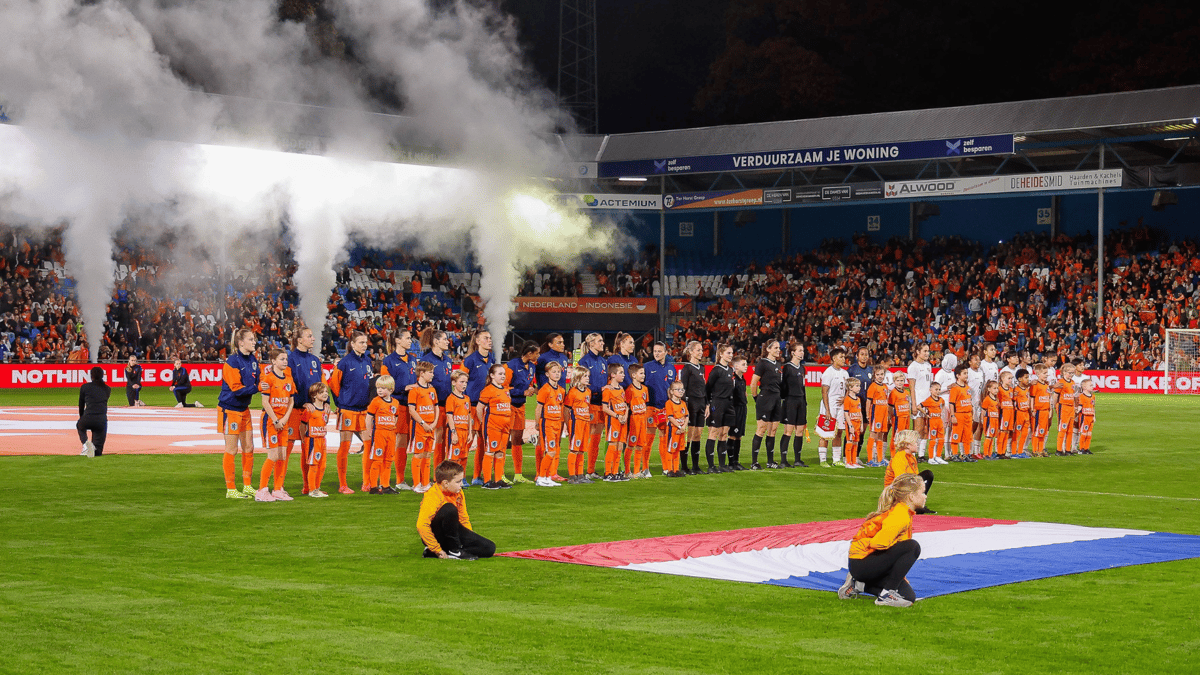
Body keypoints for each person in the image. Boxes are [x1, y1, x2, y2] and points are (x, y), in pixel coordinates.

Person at [840, 473, 926, 607]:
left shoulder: (904, 512)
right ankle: (886, 595)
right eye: (922, 492)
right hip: (862, 562)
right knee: (912, 547)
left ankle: (859, 585)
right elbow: (878, 543)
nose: (925, 496)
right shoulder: (900, 514)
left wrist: (898, 573)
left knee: (908, 597)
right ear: (911, 496)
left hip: (865, 562)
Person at [417, 460, 496, 560]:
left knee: (489, 548)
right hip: (438, 533)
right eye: (458, 481)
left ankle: (435, 552)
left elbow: (463, 517)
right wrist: (436, 548)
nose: (461, 484)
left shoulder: (458, 492)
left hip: (453, 530)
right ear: (445, 483)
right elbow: (421, 525)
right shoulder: (433, 496)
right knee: (449, 509)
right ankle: (454, 551)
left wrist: (469, 537)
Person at [329, 331, 373, 494]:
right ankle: (342, 484)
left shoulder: (367, 361)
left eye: (365, 342)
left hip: (364, 410)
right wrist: (341, 403)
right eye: (361, 342)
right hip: (348, 410)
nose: (364, 345)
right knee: (345, 447)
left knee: (368, 446)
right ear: (352, 344)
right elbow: (333, 385)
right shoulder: (344, 363)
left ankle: (367, 482)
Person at [218, 329, 260, 499]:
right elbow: (237, 389)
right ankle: (231, 489)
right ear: (240, 342)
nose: (254, 342)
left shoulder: (253, 359)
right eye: (251, 339)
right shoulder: (232, 362)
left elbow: (259, 379)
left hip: (244, 409)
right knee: (232, 449)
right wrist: (258, 387)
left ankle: (247, 485)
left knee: (249, 447)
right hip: (230, 409)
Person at [256, 349, 297, 502]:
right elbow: (265, 402)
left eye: (286, 359)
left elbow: (291, 400)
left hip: (283, 421)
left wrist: (285, 419)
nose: (285, 361)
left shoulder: (288, 378)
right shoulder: (268, 378)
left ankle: (278, 489)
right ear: (273, 361)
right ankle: (262, 490)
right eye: (281, 359)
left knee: (282, 456)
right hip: (270, 421)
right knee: (272, 456)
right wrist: (275, 420)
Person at [288, 327, 324, 494]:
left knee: (307, 450)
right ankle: (278, 487)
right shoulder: (290, 359)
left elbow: (320, 384)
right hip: (294, 411)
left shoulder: (315, 360)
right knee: (285, 450)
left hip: (312, 412)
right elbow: (290, 385)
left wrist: (326, 402)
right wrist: (302, 402)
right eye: (309, 336)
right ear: (299, 340)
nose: (313, 339)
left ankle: (308, 487)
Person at [381, 329, 418, 490]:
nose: (410, 341)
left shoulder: (413, 359)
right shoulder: (388, 361)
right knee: (399, 443)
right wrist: (405, 387)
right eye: (407, 338)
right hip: (399, 406)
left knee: (407, 442)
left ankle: (399, 478)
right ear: (397, 340)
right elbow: (383, 385)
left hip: (413, 407)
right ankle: (398, 479)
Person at [461, 329, 496, 486]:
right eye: (486, 338)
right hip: (472, 405)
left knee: (482, 442)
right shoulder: (470, 360)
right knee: (466, 442)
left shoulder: (492, 359)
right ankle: (460, 477)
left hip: (486, 406)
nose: (489, 340)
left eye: (490, 338)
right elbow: (459, 380)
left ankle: (476, 476)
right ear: (477, 341)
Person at [578, 333, 610, 480]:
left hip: (601, 404)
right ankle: (580, 471)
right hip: (590, 404)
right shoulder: (584, 361)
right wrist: (599, 389)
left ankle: (590, 470)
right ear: (591, 344)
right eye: (599, 341)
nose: (602, 343)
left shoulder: (603, 361)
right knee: (587, 438)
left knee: (596, 439)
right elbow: (582, 383)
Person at [505, 341, 539, 484]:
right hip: (508, 406)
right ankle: (499, 474)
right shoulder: (511, 365)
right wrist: (522, 391)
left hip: (521, 406)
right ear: (529, 353)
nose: (538, 355)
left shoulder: (531, 367)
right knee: (502, 441)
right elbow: (503, 388)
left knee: (517, 441)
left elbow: (531, 384)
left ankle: (518, 474)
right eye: (536, 353)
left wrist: (533, 389)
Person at [420, 329, 454, 466]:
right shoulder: (426, 360)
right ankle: (435, 472)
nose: (447, 342)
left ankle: (442, 469)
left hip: (447, 404)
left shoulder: (448, 360)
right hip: (433, 405)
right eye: (445, 339)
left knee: (446, 438)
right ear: (436, 341)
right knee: (437, 438)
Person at [364, 375, 403, 494]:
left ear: (391, 389)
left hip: (391, 434)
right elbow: (368, 418)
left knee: (388, 460)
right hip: (379, 434)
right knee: (377, 460)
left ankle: (385, 486)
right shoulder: (376, 401)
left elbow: (395, 417)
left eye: (383, 388)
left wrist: (392, 430)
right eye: (378, 387)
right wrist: (368, 432)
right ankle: (374, 487)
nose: (379, 390)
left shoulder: (395, 403)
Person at [477, 364, 513, 489]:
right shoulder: (488, 390)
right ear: (492, 375)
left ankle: (498, 479)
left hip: (505, 427)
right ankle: (487, 481)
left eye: (504, 374)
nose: (503, 376)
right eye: (500, 374)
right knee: (490, 452)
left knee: (500, 453)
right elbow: (479, 408)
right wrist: (484, 424)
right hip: (492, 426)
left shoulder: (505, 390)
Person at [642, 342, 676, 475]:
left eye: (659, 351)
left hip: (665, 409)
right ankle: (645, 468)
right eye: (655, 351)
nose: (656, 353)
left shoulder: (671, 368)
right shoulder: (647, 367)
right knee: (648, 439)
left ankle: (666, 468)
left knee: (664, 439)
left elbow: (672, 389)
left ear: (666, 352)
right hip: (651, 408)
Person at [750, 340, 783, 470]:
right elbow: (753, 383)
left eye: (779, 348)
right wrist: (756, 397)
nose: (778, 350)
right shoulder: (762, 363)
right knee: (761, 429)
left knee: (773, 430)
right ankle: (754, 462)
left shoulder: (778, 364)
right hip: (765, 398)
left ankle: (770, 461)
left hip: (776, 399)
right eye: (775, 347)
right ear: (768, 349)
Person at [884, 429, 935, 514]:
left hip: (906, 486)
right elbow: (900, 481)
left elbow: (915, 478)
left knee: (927, 475)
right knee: (926, 475)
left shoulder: (911, 457)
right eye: (915, 442)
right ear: (907, 445)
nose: (917, 444)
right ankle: (910, 505)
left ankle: (918, 504)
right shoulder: (899, 458)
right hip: (894, 492)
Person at [407, 364, 440, 493]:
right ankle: (416, 484)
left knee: (427, 455)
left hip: (431, 427)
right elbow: (411, 409)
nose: (432, 374)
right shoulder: (414, 390)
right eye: (430, 372)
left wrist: (435, 422)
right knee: (418, 454)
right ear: (421, 373)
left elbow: (435, 406)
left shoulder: (432, 390)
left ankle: (426, 483)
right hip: (419, 428)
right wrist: (422, 423)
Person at [704, 343, 736, 473]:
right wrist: (707, 404)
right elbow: (707, 388)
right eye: (728, 353)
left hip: (728, 404)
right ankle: (711, 466)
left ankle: (722, 465)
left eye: (732, 353)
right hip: (717, 403)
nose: (731, 355)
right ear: (721, 354)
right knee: (714, 433)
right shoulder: (716, 370)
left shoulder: (730, 370)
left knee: (724, 434)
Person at [534, 361, 566, 487]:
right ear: (547, 374)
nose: (557, 374)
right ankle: (541, 477)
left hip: (557, 423)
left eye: (558, 372)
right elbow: (538, 408)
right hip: (547, 423)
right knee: (550, 451)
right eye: (554, 372)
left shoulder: (561, 390)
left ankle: (547, 476)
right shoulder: (544, 390)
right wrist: (537, 423)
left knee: (553, 450)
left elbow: (561, 407)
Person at [815, 346, 848, 467]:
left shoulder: (845, 373)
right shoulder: (828, 372)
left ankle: (836, 459)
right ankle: (823, 460)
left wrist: (844, 398)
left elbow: (848, 389)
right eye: (841, 357)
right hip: (829, 404)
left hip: (840, 405)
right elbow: (824, 392)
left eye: (844, 357)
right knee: (826, 431)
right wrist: (827, 410)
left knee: (839, 431)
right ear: (834, 358)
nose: (844, 359)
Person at [679, 340, 707, 475]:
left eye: (701, 350)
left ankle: (696, 466)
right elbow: (682, 389)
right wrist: (684, 405)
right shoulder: (687, 368)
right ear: (690, 352)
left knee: (698, 435)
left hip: (701, 403)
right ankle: (684, 466)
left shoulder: (702, 368)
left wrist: (707, 404)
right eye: (698, 350)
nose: (701, 352)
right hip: (691, 404)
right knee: (689, 435)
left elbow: (704, 387)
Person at [780, 339, 808, 467]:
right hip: (790, 401)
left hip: (801, 401)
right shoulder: (787, 368)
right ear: (793, 353)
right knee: (788, 430)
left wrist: (804, 401)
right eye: (800, 350)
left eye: (803, 350)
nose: (802, 353)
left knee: (800, 431)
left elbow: (803, 386)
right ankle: (784, 460)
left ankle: (798, 459)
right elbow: (782, 386)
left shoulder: (802, 368)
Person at [301, 382, 332, 497]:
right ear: (314, 395)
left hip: (322, 440)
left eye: (326, 392)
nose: (325, 394)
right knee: (313, 465)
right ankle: (312, 490)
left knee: (322, 465)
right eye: (321, 392)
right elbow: (302, 424)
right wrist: (303, 438)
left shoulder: (326, 409)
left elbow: (325, 422)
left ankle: (317, 487)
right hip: (313, 440)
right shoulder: (309, 409)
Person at [564, 365, 594, 484]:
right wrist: (567, 425)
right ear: (578, 377)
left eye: (588, 376)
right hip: (576, 424)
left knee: (582, 449)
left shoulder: (588, 391)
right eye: (585, 376)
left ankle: (580, 474)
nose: (587, 378)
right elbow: (566, 410)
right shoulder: (572, 392)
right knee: (574, 449)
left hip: (585, 422)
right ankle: (572, 475)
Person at [601, 364, 630, 481]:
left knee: (619, 446)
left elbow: (626, 406)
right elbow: (604, 408)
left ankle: (616, 471)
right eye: (621, 372)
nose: (623, 375)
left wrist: (625, 416)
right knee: (613, 445)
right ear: (613, 374)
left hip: (623, 421)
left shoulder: (621, 389)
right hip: (613, 421)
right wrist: (618, 416)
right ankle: (608, 473)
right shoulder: (607, 390)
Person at [906, 343, 933, 461]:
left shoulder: (928, 366)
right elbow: (912, 387)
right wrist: (913, 404)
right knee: (917, 429)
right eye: (925, 351)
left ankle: (921, 455)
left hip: (927, 402)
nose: (927, 353)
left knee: (925, 429)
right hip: (918, 401)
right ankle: (911, 455)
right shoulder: (913, 366)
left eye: (928, 351)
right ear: (917, 352)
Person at [624, 363, 651, 477]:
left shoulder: (645, 389)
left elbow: (645, 404)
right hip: (634, 420)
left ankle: (637, 471)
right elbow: (626, 406)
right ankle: (627, 471)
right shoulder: (629, 390)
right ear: (634, 375)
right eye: (641, 373)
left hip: (643, 419)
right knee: (631, 445)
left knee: (640, 445)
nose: (644, 375)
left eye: (644, 373)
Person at [445, 371, 475, 474]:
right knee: (453, 457)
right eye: (461, 382)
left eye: (466, 382)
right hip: (456, 432)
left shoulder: (467, 399)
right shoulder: (451, 399)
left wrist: (470, 432)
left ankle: (461, 478)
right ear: (453, 383)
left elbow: (469, 417)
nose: (464, 385)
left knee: (464, 457)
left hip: (465, 433)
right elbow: (450, 416)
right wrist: (453, 433)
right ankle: (451, 479)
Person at [77, 366, 110, 458]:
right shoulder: (107, 389)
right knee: (98, 452)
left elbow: (81, 404)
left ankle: (86, 443)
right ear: (102, 375)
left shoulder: (85, 387)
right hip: (101, 419)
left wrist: (81, 418)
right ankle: (93, 448)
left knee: (79, 426)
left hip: (88, 416)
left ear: (91, 376)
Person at [865, 366, 891, 468]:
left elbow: (886, 402)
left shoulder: (885, 386)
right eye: (878, 374)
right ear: (874, 375)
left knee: (880, 436)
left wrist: (888, 414)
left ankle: (880, 459)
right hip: (876, 414)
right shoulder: (873, 386)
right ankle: (870, 459)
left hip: (884, 415)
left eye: (882, 374)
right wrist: (867, 414)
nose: (880, 376)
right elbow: (868, 401)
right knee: (873, 435)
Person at [727, 355, 749, 471]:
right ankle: (731, 462)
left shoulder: (742, 379)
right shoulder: (733, 379)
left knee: (739, 436)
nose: (746, 366)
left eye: (746, 364)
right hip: (734, 409)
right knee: (733, 435)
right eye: (743, 364)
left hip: (742, 409)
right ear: (735, 366)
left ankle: (736, 461)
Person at [662, 380, 689, 477]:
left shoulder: (683, 403)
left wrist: (684, 427)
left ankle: (676, 469)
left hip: (681, 430)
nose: (681, 391)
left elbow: (686, 416)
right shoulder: (669, 403)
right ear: (672, 391)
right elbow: (670, 417)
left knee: (678, 450)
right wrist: (679, 426)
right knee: (671, 450)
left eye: (682, 389)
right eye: (678, 389)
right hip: (673, 430)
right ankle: (669, 470)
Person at [948, 364, 974, 462]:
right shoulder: (955, 388)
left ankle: (966, 454)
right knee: (956, 435)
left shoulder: (967, 387)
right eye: (964, 373)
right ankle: (955, 454)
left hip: (968, 414)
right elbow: (951, 403)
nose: (966, 375)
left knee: (968, 436)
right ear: (958, 375)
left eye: (967, 373)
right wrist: (952, 415)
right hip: (959, 414)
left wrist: (972, 412)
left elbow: (969, 401)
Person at [1053, 362, 1078, 456]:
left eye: (1072, 373)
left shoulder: (1073, 383)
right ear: (1063, 372)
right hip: (1063, 407)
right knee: (1062, 429)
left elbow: (1074, 396)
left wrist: (1075, 407)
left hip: (1071, 408)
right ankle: (1059, 450)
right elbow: (1056, 395)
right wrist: (1054, 406)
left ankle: (1068, 450)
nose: (1070, 375)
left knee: (1070, 430)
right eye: (1069, 373)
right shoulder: (1060, 383)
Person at [920, 382, 946, 464]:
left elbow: (943, 406)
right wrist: (925, 414)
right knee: (933, 440)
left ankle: (938, 456)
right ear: (930, 390)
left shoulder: (941, 400)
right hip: (932, 422)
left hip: (939, 421)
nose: (938, 391)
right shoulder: (929, 400)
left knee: (941, 439)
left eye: (939, 389)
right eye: (936, 389)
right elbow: (919, 406)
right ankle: (931, 458)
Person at [1030, 363, 1052, 457]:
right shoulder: (1035, 385)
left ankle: (1041, 449)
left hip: (1046, 410)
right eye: (1044, 373)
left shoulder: (1046, 385)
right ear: (1038, 374)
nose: (1046, 375)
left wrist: (1050, 410)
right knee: (1036, 431)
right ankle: (1035, 450)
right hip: (1038, 410)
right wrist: (1032, 409)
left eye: (1047, 373)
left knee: (1044, 431)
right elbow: (1032, 398)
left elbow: (1048, 398)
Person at [842, 378, 865, 469]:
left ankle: (854, 461)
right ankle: (848, 462)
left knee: (856, 442)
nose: (859, 388)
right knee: (850, 441)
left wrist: (862, 424)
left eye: (859, 386)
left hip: (858, 423)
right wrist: (850, 425)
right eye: (857, 386)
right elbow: (846, 413)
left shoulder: (858, 399)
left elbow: (860, 412)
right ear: (850, 388)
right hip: (851, 424)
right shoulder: (847, 399)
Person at [1011, 369, 1033, 459]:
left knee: (1025, 433)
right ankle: (1013, 452)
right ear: (1020, 379)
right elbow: (1013, 402)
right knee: (1016, 433)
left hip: (1026, 413)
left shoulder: (1027, 389)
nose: (1028, 379)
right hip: (1019, 413)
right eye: (1026, 377)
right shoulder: (1016, 390)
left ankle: (1020, 451)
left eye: (1028, 377)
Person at [1075, 378, 1096, 455]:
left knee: (1089, 434)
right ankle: (1081, 448)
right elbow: (1080, 406)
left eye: (1092, 385)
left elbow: (1093, 407)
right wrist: (1076, 412)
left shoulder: (1093, 396)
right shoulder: (1081, 396)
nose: (1092, 386)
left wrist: (1094, 416)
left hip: (1090, 416)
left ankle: (1087, 448)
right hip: (1084, 417)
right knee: (1084, 433)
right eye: (1090, 385)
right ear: (1084, 387)